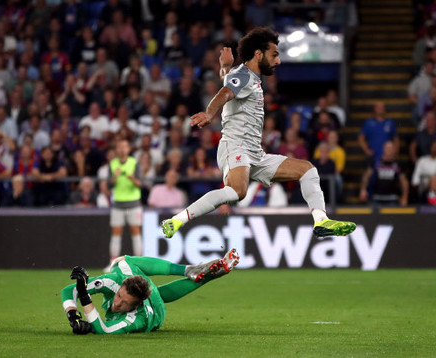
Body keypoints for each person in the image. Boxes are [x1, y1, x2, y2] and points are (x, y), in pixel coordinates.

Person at [160, 27, 355, 238]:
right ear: (258, 54)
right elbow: (226, 92)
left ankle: (321, 222)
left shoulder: (246, 77)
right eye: (275, 54)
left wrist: (224, 69)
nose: (278, 61)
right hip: (235, 146)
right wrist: (209, 113)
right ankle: (176, 220)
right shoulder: (244, 74)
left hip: (255, 153)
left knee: (307, 170)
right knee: (238, 192)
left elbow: (230, 84)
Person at [61, 250, 240, 334]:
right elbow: (69, 290)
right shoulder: (115, 281)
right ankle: (188, 270)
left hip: (156, 309)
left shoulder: (137, 319)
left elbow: (103, 330)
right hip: (138, 284)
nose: (117, 303)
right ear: (121, 285)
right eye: (119, 296)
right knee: (120, 263)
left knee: (157, 296)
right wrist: (73, 315)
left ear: (137, 304)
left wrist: (84, 296)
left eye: (124, 303)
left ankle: (208, 276)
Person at [106, 139, 143, 271]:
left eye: (124, 147)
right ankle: (112, 262)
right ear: (116, 150)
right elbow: (109, 185)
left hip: (133, 202)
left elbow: (140, 183)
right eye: (119, 147)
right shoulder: (112, 164)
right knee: (116, 233)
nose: (122, 149)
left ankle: (139, 262)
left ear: (128, 149)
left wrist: (132, 178)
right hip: (118, 203)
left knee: (135, 231)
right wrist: (114, 178)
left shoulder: (134, 163)